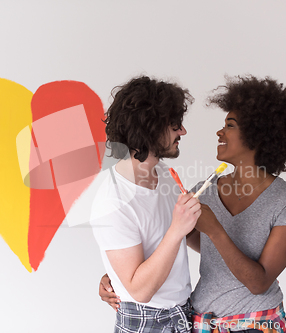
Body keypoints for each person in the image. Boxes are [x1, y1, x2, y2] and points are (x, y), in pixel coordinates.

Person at [99, 75, 286, 333]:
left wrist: (214, 229)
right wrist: (117, 279)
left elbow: (259, 283)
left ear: (258, 134)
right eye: (175, 124)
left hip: (255, 323)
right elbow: (169, 239)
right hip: (197, 322)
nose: (220, 132)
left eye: (229, 125)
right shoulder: (204, 190)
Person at [90, 76, 202, 333]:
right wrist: (177, 230)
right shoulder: (113, 200)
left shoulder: (163, 174)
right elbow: (139, 290)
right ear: (149, 128)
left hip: (183, 313)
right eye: (175, 125)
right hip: (147, 322)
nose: (182, 132)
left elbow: (183, 237)